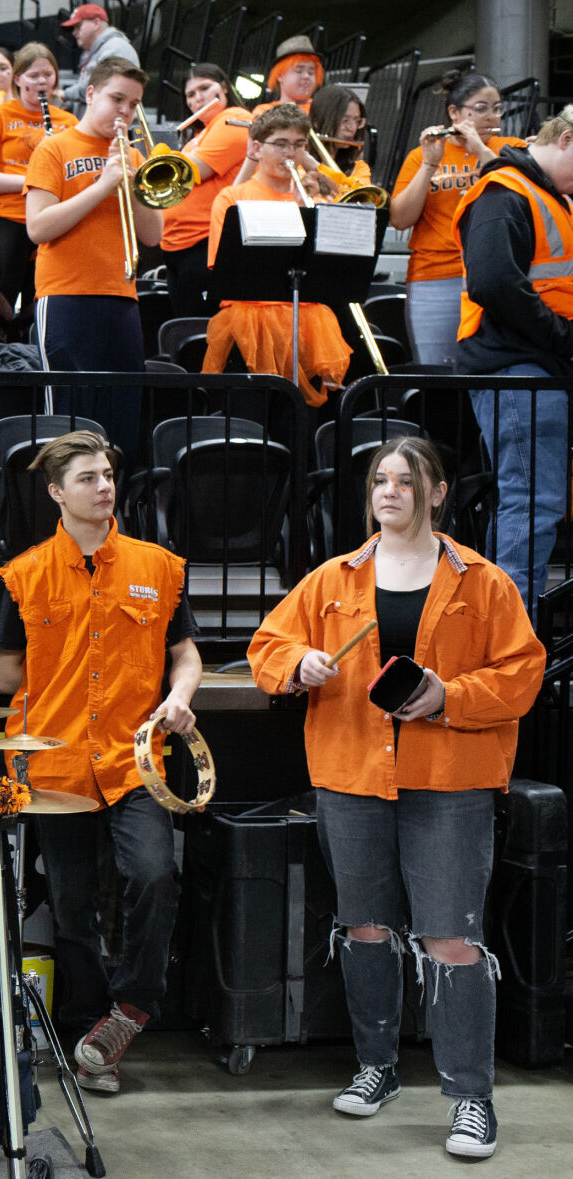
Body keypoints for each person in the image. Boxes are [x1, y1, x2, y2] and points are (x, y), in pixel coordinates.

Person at [247, 436, 545, 1161]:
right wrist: (298, 662)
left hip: (449, 782)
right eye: (380, 480)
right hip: (351, 776)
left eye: (405, 481)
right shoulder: (332, 578)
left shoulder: (482, 582)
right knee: (366, 928)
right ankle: (375, 1065)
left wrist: (448, 697)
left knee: (451, 938)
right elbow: (266, 647)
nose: (389, 491)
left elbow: (522, 673)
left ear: (436, 493)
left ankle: (471, 1097)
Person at [0, 428, 202, 1095]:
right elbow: (4, 674)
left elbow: (185, 654)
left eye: (107, 474)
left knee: (154, 874)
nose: (103, 486)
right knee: (71, 904)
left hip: (136, 759)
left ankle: (131, 1006)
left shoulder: (157, 567)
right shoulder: (23, 576)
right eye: (87, 477)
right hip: (54, 765)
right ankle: (90, 1038)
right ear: (56, 491)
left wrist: (179, 697)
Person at [455, 105, 573, 616]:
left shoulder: (545, 195)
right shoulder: (505, 193)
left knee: (531, 502)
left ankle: (507, 632)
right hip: (518, 366)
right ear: (565, 139)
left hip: (536, 366)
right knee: (531, 502)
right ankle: (510, 637)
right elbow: (494, 282)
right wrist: (563, 337)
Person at [25, 56, 157, 453]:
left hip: (122, 296)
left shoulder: (134, 156)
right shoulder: (54, 148)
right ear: (91, 93)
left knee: (122, 419)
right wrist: (102, 186)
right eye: (117, 99)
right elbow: (38, 228)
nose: (125, 111)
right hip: (65, 294)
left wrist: (130, 182)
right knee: (69, 420)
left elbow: (152, 235)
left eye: (133, 104)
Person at [200, 102, 351, 407]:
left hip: (309, 328)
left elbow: (334, 270)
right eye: (280, 144)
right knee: (247, 419)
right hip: (250, 326)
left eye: (298, 145)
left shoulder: (316, 201)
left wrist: (308, 210)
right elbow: (225, 269)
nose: (290, 154)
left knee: (302, 422)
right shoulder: (232, 198)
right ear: (257, 147)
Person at [389, 70, 519, 368]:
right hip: (435, 276)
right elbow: (400, 219)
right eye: (481, 109)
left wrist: (481, 151)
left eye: (497, 108)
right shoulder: (421, 154)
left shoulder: (511, 148)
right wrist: (429, 164)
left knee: (493, 371)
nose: (491, 117)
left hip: (495, 273)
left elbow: (516, 193)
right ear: (454, 113)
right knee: (437, 372)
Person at [0, 41, 75, 342]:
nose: (42, 82)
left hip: (53, 220)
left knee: (41, 298)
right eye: (33, 76)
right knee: (0, 297)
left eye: (48, 75)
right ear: (17, 78)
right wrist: (30, 181)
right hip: (7, 217)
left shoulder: (68, 122)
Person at [154, 63, 249, 318]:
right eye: (190, 94)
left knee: (197, 327)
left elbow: (193, 170)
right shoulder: (201, 133)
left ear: (224, 88)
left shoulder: (235, 119)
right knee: (183, 326)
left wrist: (159, 158)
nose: (198, 98)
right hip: (178, 245)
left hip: (206, 242)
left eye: (205, 88)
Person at [59, 4, 137, 111]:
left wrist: (65, 94)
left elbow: (97, 87)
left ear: (96, 23)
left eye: (78, 26)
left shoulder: (116, 48)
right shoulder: (95, 51)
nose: (74, 32)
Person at [309, 84, 373, 196]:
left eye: (357, 121)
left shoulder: (359, 168)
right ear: (317, 122)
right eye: (345, 120)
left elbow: (355, 196)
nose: (352, 128)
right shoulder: (299, 164)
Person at [254, 34, 321, 115]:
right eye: (299, 71)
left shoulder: (323, 110)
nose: (306, 76)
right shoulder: (264, 112)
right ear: (280, 75)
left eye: (311, 72)